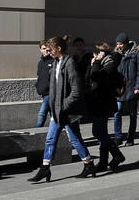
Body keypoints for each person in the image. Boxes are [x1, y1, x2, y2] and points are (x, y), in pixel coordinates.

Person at [29, 36, 99, 183]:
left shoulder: (69, 63)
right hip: (57, 111)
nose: (49, 52)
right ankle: (45, 168)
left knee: (74, 139)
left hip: (68, 111)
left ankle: (88, 164)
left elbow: (76, 91)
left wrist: (64, 106)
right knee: (50, 139)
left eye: (51, 49)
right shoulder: (55, 63)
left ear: (59, 49)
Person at [86, 43, 127, 172]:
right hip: (98, 102)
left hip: (103, 103)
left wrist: (96, 63)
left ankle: (118, 155)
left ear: (102, 53)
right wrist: (93, 64)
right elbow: (89, 78)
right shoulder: (103, 64)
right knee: (102, 133)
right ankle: (103, 162)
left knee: (97, 133)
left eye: (98, 53)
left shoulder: (109, 65)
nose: (96, 55)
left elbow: (95, 77)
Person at [113, 34, 139, 146]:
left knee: (132, 114)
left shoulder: (137, 53)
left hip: (132, 87)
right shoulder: (117, 54)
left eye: (120, 44)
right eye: (117, 44)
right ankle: (118, 137)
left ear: (126, 43)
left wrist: (138, 87)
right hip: (120, 88)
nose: (118, 46)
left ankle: (130, 137)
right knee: (117, 112)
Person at [34, 40, 54, 128]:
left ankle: (36, 131)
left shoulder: (53, 61)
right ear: (40, 50)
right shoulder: (40, 63)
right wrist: (38, 86)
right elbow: (39, 77)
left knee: (42, 114)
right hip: (43, 93)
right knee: (53, 116)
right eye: (44, 48)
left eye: (47, 49)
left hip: (50, 93)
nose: (46, 50)